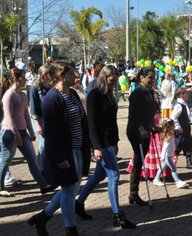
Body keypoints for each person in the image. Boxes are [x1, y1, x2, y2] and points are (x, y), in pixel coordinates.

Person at [28, 61, 91, 236]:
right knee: (70, 190)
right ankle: (70, 229)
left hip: (77, 149)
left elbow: (81, 119)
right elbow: (51, 133)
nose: (76, 76)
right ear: (62, 76)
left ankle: (42, 217)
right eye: (72, 73)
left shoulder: (72, 94)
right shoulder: (51, 98)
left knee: (71, 189)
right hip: (65, 152)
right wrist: (60, 157)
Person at [75, 65, 136, 229]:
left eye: (115, 81)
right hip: (101, 143)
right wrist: (96, 146)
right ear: (104, 78)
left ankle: (78, 202)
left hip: (110, 141)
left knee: (99, 176)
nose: (114, 84)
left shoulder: (110, 94)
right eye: (111, 80)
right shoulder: (94, 95)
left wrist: (116, 141)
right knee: (114, 176)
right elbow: (92, 123)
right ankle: (117, 215)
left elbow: (112, 121)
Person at [0, 68, 53, 198]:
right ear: (15, 79)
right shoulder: (9, 94)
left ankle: (43, 185)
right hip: (10, 133)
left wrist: (31, 131)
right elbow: (8, 117)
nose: (25, 79)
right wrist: (16, 134)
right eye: (23, 77)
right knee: (6, 160)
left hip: (23, 133)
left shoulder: (23, 94)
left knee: (32, 160)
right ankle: (0, 186)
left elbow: (26, 115)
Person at [127, 67, 157, 206]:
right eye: (150, 77)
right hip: (136, 131)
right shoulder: (137, 93)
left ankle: (133, 193)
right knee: (138, 161)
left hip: (146, 129)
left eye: (153, 77)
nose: (152, 80)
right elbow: (133, 115)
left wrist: (152, 126)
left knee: (140, 161)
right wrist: (141, 129)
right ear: (142, 78)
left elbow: (148, 112)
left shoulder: (150, 92)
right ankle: (133, 193)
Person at [152, 119, 188, 188]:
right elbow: (165, 147)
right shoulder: (169, 136)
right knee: (173, 169)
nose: (175, 127)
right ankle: (177, 182)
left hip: (168, 155)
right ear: (170, 128)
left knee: (161, 168)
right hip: (167, 157)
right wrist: (162, 156)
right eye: (173, 126)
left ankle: (156, 179)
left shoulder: (170, 134)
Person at [29, 65, 51, 171]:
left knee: (45, 145)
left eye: (49, 74)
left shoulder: (52, 87)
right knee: (44, 144)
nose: (48, 77)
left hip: (49, 120)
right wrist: (37, 124)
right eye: (45, 74)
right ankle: (42, 170)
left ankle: (41, 167)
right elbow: (33, 108)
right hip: (38, 119)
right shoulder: (35, 87)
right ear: (41, 75)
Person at [172, 87, 192, 170]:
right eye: (185, 93)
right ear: (181, 95)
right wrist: (178, 127)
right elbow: (173, 117)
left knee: (188, 145)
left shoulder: (184, 103)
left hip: (186, 128)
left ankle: (189, 163)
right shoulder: (178, 105)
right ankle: (170, 163)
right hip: (181, 130)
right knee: (178, 147)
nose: (187, 95)